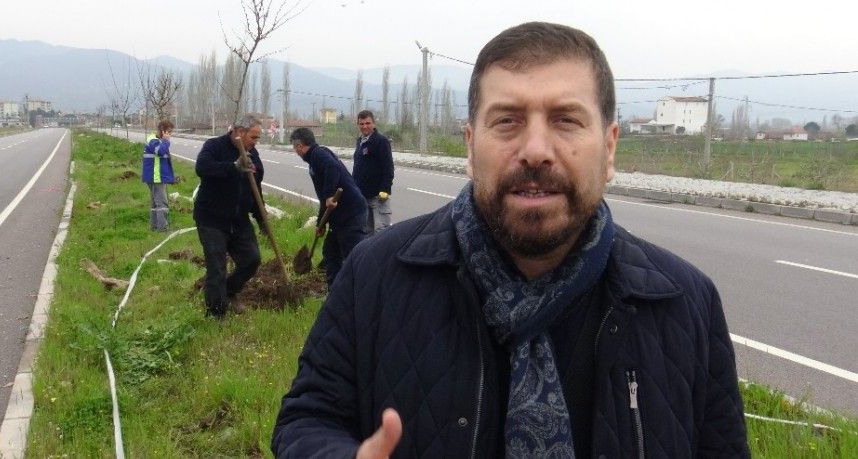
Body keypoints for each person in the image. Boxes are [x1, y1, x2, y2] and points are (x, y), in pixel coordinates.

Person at [273, 22, 749, 458]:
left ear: (609, 148)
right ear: (470, 145)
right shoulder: (374, 275)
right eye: (507, 120)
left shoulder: (684, 305)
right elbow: (306, 420)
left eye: (566, 119)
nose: (536, 151)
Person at [193, 116, 265, 319]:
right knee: (217, 267)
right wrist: (233, 167)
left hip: (238, 220)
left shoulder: (253, 154)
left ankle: (229, 291)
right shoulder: (214, 146)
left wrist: (261, 219)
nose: (255, 141)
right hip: (212, 219)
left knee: (252, 260)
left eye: (258, 138)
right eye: (254, 137)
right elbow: (202, 168)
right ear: (240, 132)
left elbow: (255, 187)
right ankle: (217, 313)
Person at [290, 127, 368, 287]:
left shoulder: (318, 154)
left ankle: (361, 292)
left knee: (353, 256)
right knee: (330, 253)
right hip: (338, 217)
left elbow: (332, 169)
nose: (295, 151)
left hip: (351, 213)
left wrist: (329, 196)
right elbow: (323, 199)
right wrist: (321, 223)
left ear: (299, 146)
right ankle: (335, 291)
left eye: (294, 147)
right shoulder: (315, 158)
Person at [352, 110, 394, 234]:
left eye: (368, 123)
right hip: (363, 196)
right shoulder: (360, 141)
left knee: (382, 232)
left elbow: (388, 167)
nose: (365, 126)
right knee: (367, 232)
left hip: (378, 196)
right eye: (361, 124)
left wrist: (385, 189)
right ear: (358, 125)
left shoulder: (381, 141)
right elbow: (357, 168)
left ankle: (386, 254)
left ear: (374, 124)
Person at [142, 120, 176, 232]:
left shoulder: (157, 140)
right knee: (162, 203)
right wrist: (166, 141)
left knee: (155, 203)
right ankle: (163, 229)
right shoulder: (153, 140)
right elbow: (160, 152)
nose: (170, 135)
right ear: (163, 131)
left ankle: (155, 227)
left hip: (156, 176)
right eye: (169, 132)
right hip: (156, 177)